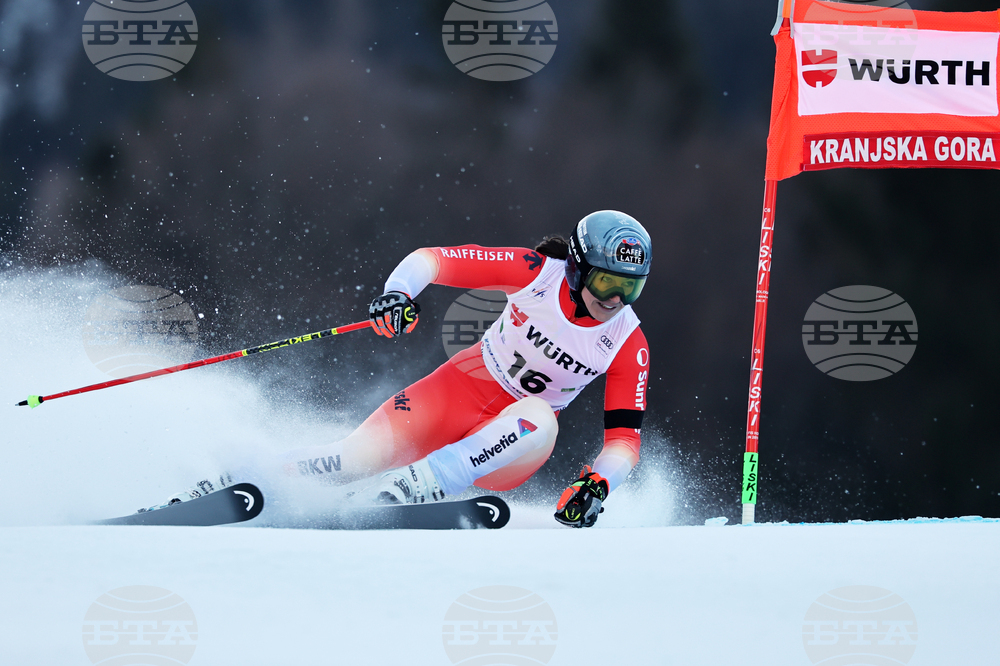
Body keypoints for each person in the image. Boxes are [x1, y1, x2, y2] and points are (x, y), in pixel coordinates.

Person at [167, 210, 651, 528]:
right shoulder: (535, 272)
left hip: (511, 444)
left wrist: (598, 484)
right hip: (455, 392)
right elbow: (433, 260)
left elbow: (625, 441)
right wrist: (397, 295)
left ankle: (424, 482)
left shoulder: (628, 341)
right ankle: (239, 479)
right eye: (606, 283)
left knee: (540, 417)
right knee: (350, 459)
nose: (614, 300)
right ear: (577, 267)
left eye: (630, 288)